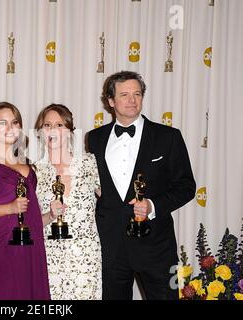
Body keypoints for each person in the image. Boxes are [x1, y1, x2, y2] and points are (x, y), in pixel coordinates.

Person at [86, 71, 196, 300]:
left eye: (137, 94)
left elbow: (186, 186)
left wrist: (153, 206)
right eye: (124, 94)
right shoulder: (95, 138)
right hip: (111, 244)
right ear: (110, 101)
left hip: (156, 245)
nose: (132, 100)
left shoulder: (169, 136)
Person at [0, 102, 50, 300]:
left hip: (31, 247)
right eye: (3, 122)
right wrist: (9, 208)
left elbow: (30, 216)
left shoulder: (26, 165)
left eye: (15, 122)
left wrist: (51, 215)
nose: (11, 128)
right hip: (1, 247)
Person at [34, 104, 102, 300]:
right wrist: (50, 215)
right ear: (40, 131)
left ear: (70, 130)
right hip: (49, 258)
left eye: (60, 125)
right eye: (47, 125)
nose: (53, 130)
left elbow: (111, 202)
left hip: (85, 258)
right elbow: (30, 221)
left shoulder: (89, 163)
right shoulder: (35, 172)